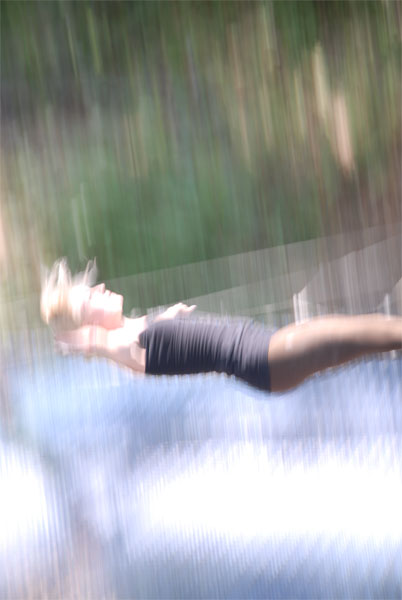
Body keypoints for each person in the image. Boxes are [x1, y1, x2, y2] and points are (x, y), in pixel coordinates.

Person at [41, 259, 402, 393]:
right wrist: (88, 340)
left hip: (267, 348)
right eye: (90, 298)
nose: (100, 288)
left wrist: (167, 318)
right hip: (266, 356)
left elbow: (155, 339)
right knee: (379, 333)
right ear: (88, 327)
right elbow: (112, 346)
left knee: (377, 333)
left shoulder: (136, 331)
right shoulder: (121, 346)